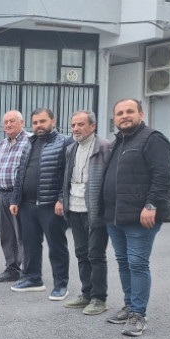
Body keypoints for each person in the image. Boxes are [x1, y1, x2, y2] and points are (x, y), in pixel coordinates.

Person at [102, 99, 170, 337]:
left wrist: (151, 205)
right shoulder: (118, 142)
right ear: (114, 118)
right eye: (119, 113)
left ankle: (138, 314)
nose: (124, 116)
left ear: (141, 114)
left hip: (140, 216)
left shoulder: (153, 139)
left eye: (129, 111)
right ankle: (130, 304)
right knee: (123, 262)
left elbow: (163, 175)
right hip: (115, 215)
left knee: (137, 263)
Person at [9, 108, 73, 300]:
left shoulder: (64, 142)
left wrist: (61, 199)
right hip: (27, 205)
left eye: (42, 121)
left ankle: (61, 285)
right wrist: (15, 199)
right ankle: (33, 278)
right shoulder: (29, 144)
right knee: (30, 244)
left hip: (51, 205)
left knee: (57, 246)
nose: (39, 125)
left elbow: (68, 175)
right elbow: (21, 173)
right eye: (35, 122)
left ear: (53, 121)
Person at [58, 111, 111, 315]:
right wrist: (63, 200)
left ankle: (99, 298)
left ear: (93, 126)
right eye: (73, 125)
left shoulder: (104, 147)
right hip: (74, 208)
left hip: (95, 210)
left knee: (95, 254)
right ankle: (86, 294)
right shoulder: (71, 148)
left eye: (80, 124)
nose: (76, 129)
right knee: (81, 253)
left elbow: (108, 180)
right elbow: (66, 178)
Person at [0, 110, 31, 283]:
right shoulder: (2, 144)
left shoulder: (30, 141)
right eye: (5, 122)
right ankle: (12, 268)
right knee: (7, 234)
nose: (8, 125)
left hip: (20, 194)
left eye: (12, 121)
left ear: (22, 122)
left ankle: (28, 271)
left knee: (23, 234)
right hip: (2, 193)